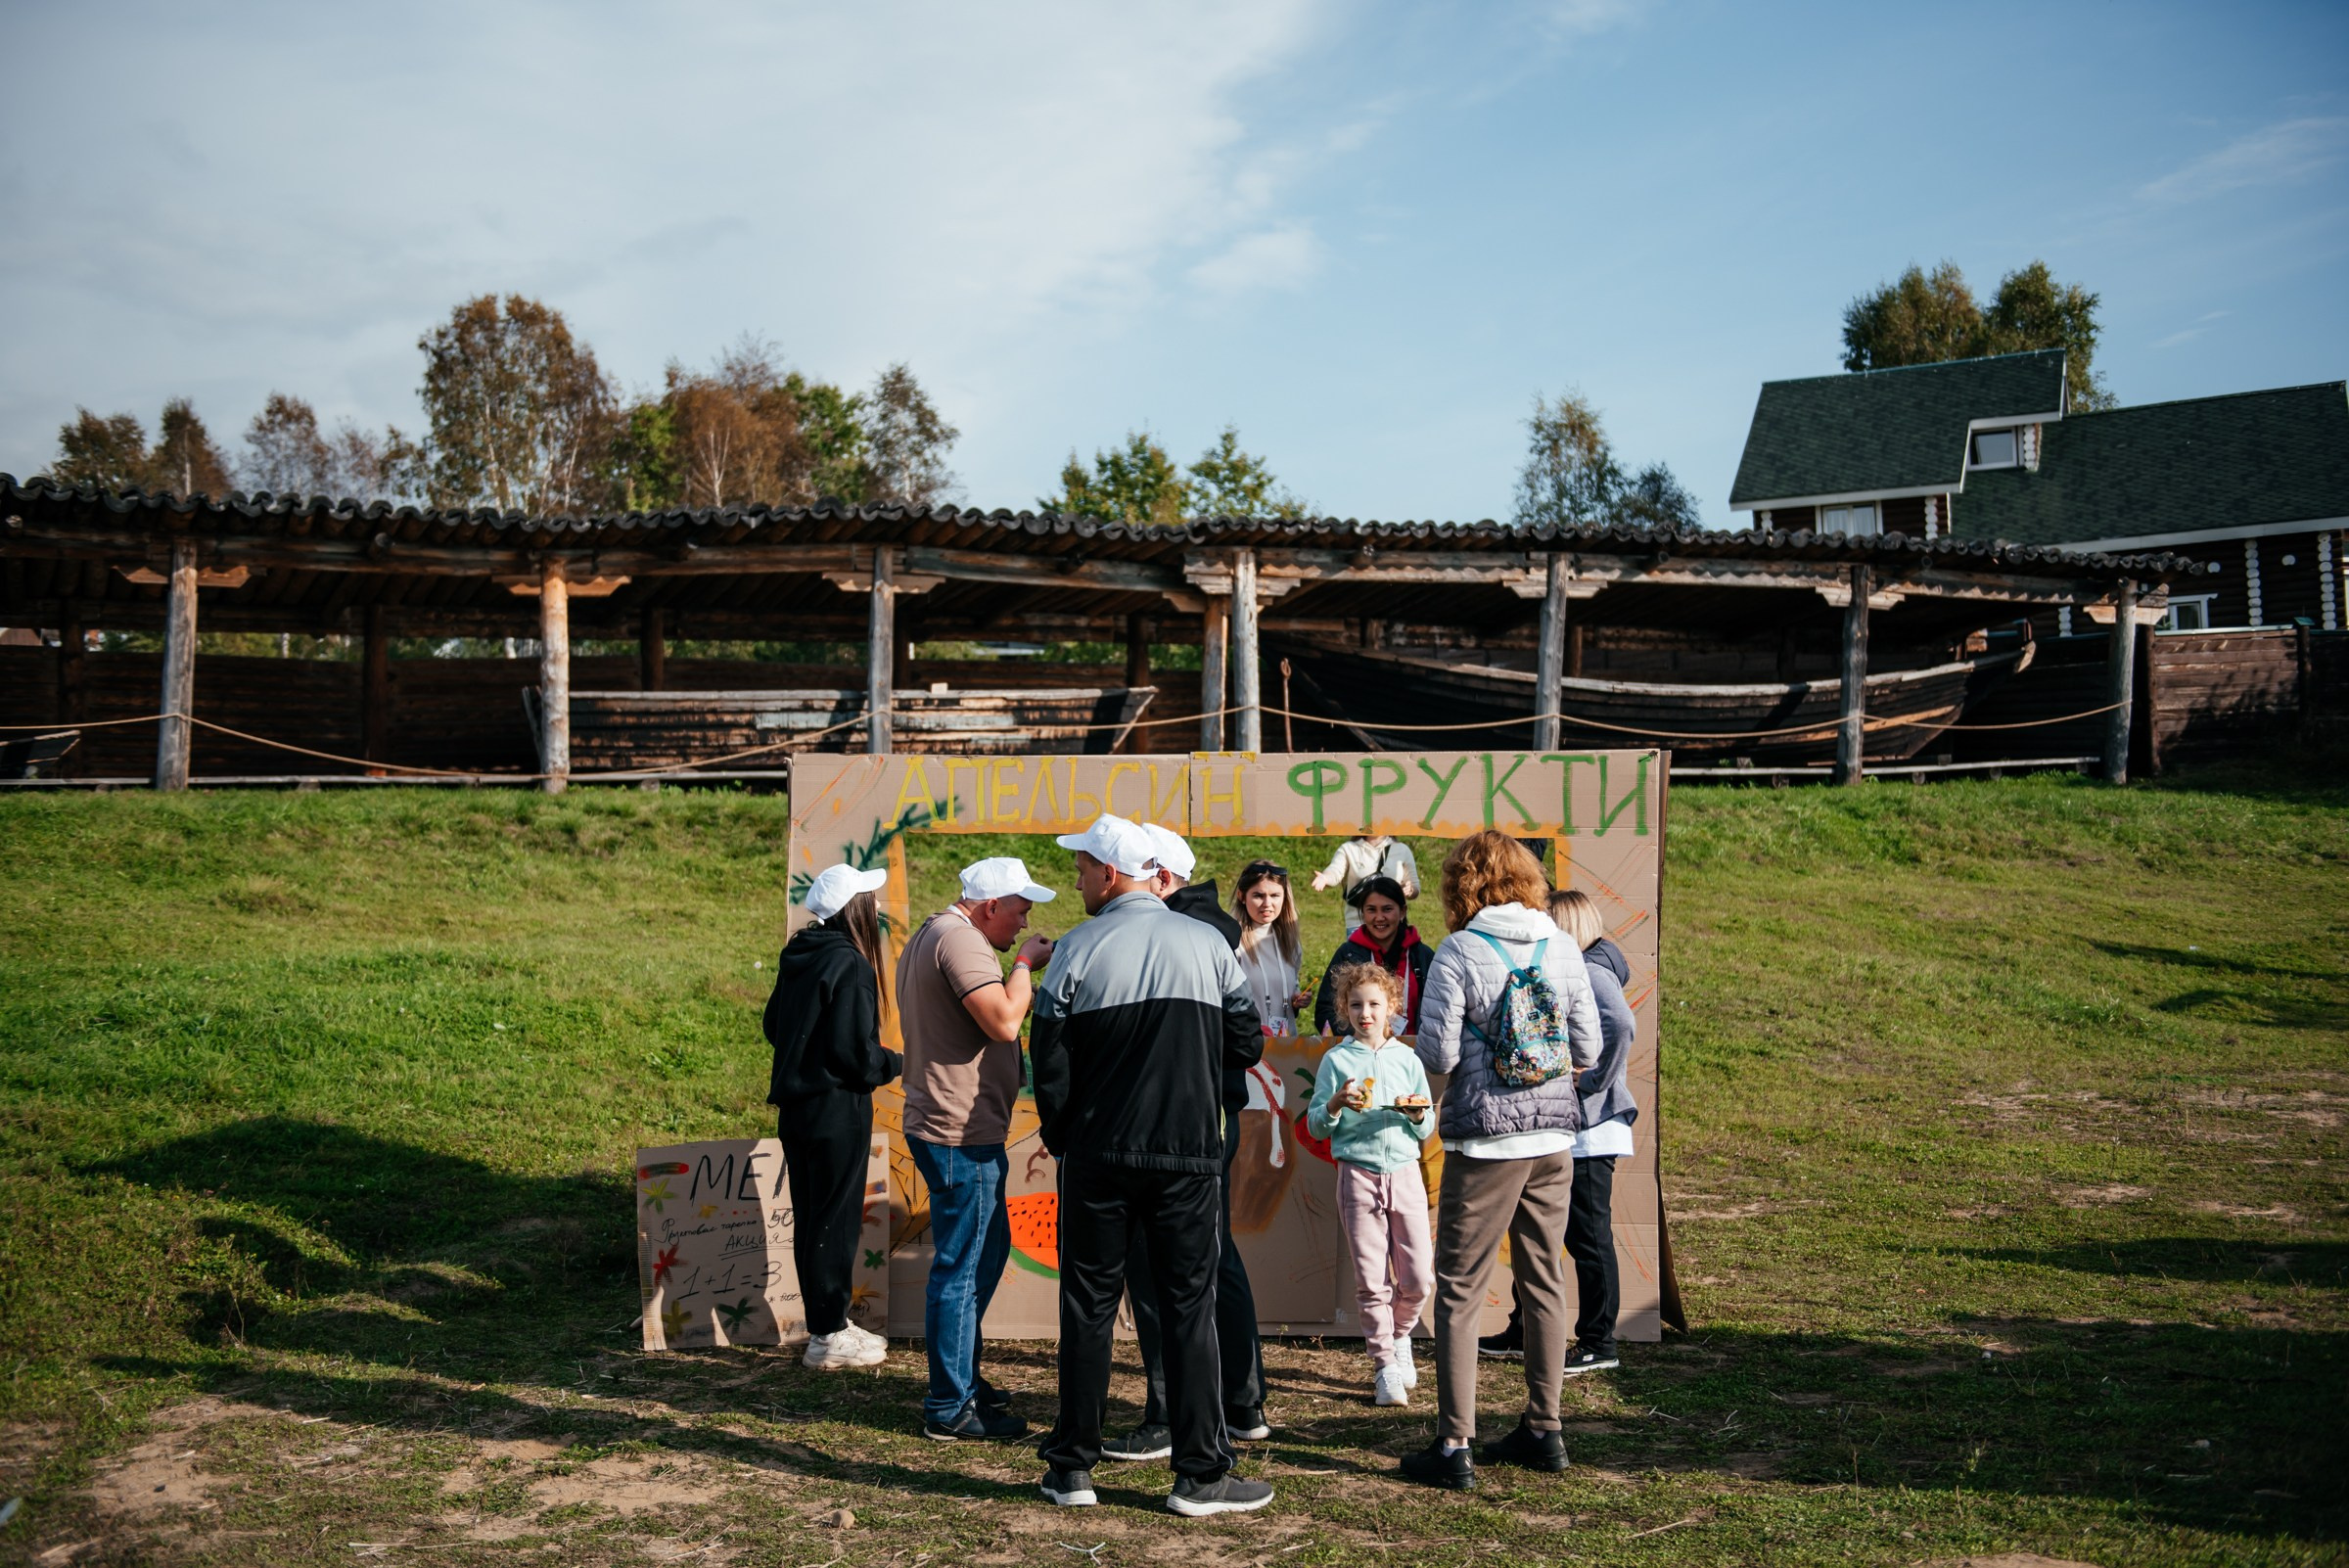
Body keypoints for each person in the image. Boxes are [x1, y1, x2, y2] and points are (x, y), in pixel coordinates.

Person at [1030, 813, 1274, 1518]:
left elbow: (1048, 1060)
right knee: (1190, 1308)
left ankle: (1071, 1468)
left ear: (1111, 873)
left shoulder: (1076, 949)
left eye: (1082, 868)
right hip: (1187, 1156)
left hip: (1098, 1156)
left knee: (1087, 1308)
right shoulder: (1209, 944)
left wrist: (1066, 1137)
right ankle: (1199, 1474)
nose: (1077, 879)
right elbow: (1247, 1043)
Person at [1401, 831, 1602, 1491]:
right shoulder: (1561, 944)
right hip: (1553, 1139)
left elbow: (1439, 1055)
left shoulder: (1460, 951)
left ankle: (1454, 1443)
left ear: (1461, 886)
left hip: (1486, 1143)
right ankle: (1545, 1428)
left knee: (1460, 1288)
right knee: (1545, 1280)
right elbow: (1589, 1049)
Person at [1100, 825, 1270, 1464]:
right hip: (1205, 1114)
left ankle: (1171, 1412)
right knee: (1213, 1254)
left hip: (1179, 1121)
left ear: (1163, 879)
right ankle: (1242, 1401)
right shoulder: (1209, 930)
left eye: (1137, 877)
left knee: (1157, 1263)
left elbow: (1242, 1037)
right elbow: (1244, 1038)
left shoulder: (1185, 932)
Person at [896, 855, 1059, 1441]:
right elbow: (1004, 1022)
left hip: (957, 1125)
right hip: (958, 1131)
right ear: (991, 906)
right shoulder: (961, 941)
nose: (1026, 921)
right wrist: (1025, 964)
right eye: (1020, 910)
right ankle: (950, 1405)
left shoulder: (938, 933)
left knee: (982, 1257)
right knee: (963, 1268)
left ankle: (961, 1377)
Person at [1481, 889, 1636, 1371]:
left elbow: (1621, 1025)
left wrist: (1592, 1082)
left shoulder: (1591, 970)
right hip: (1566, 1124)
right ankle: (1524, 1329)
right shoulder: (1576, 968)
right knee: (1539, 1229)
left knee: (1588, 1237)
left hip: (1591, 1127)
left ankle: (1599, 1342)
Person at [762, 862, 903, 1373]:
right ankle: (827, 1336)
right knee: (836, 1223)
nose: (878, 905)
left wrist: (809, 1055)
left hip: (797, 1111)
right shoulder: (852, 965)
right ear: (854, 908)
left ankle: (829, 1323)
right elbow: (856, 1056)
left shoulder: (800, 952)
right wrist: (895, 1062)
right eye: (870, 897)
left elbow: (774, 1024)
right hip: (837, 1111)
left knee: (812, 1219)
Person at [1304, 962, 1436, 1407]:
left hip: (1405, 1173)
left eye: (1375, 1005)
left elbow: (1426, 1124)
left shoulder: (1407, 1059)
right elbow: (1316, 1125)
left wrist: (1416, 1115)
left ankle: (1400, 1336)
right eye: (1356, 1005)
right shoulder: (1336, 1060)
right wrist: (1336, 1104)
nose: (1366, 1014)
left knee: (1418, 1278)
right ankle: (1384, 1368)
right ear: (1344, 1008)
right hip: (1357, 1176)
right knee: (1372, 1281)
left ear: (1392, 1007)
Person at [1311, 874, 1431, 1036]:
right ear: (1363, 913)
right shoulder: (1348, 955)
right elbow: (1325, 1011)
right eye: (1371, 910)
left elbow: (1439, 1010)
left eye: (1387, 909)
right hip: (1360, 1050)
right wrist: (1357, 1040)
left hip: (1414, 1050)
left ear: (1402, 911)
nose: (1379, 918)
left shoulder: (1422, 956)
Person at [1230, 859, 1311, 1038]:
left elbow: (1289, 988)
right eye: (1258, 895)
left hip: (1286, 1045)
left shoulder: (1290, 943)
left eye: (1275, 895)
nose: (1267, 903)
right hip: (1247, 1044)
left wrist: (1296, 1001)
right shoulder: (1232, 943)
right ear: (1241, 896)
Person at [1310, 834, 1420, 933]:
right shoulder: (1349, 848)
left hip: (1391, 925)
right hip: (1358, 925)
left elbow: (1415, 887)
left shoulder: (1402, 850)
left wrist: (1409, 890)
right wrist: (1325, 878)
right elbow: (1335, 871)